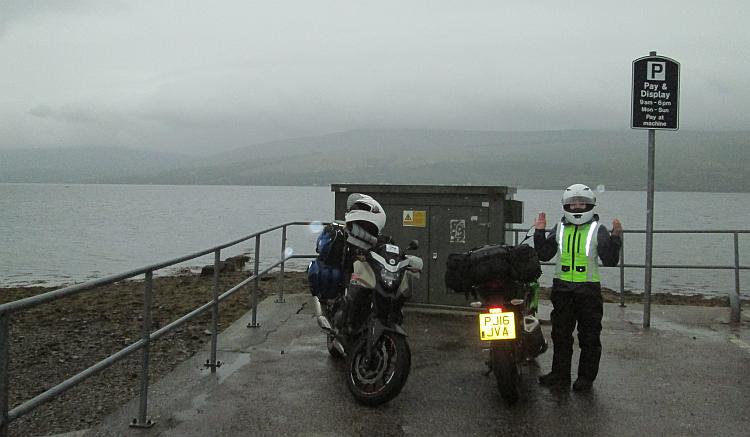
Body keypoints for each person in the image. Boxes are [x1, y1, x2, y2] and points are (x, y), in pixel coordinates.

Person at [534, 183, 622, 391]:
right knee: (560, 335)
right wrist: (539, 232)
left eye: (582, 203)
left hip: (588, 291)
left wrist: (616, 238)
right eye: (573, 203)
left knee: (589, 336)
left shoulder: (597, 229)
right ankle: (560, 375)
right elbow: (544, 254)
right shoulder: (560, 227)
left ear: (590, 204)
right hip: (562, 289)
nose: (577, 207)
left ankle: (585, 378)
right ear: (566, 205)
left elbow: (610, 260)